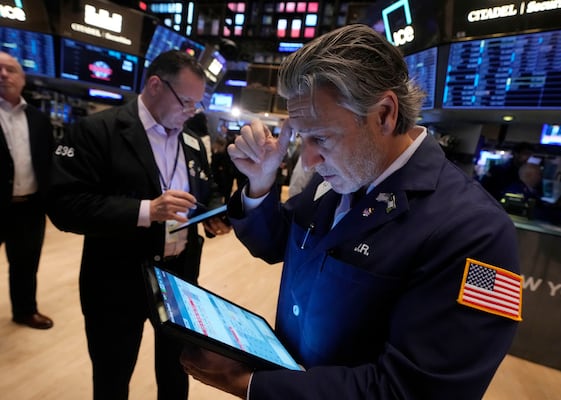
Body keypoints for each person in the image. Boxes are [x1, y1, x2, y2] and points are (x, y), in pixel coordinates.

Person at [180, 24, 522, 399]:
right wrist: (260, 184)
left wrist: (248, 383)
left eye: (321, 138)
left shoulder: (481, 234)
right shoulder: (342, 176)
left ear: (385, 114)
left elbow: (416, 391)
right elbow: (279, 243)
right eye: (302, 138)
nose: (307, 161)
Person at [47, 50, 231, 400]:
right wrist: (146, 210)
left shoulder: (191, 140)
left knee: (177, 373)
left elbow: (209, 190)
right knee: (113, 376)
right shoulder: (97, 130)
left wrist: (216, 212)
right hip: (117, 281)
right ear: (155, 85)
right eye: (186, 101)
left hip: (178, 281)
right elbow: (65, 206)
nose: (192, 111)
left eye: (197, 104)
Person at [0, 52, 54, 330]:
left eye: (10, 69)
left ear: (22, 79)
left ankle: (25, 310)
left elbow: (48, 161)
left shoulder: (39, 118)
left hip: (30, 206)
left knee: (26, 263)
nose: (4, 75)